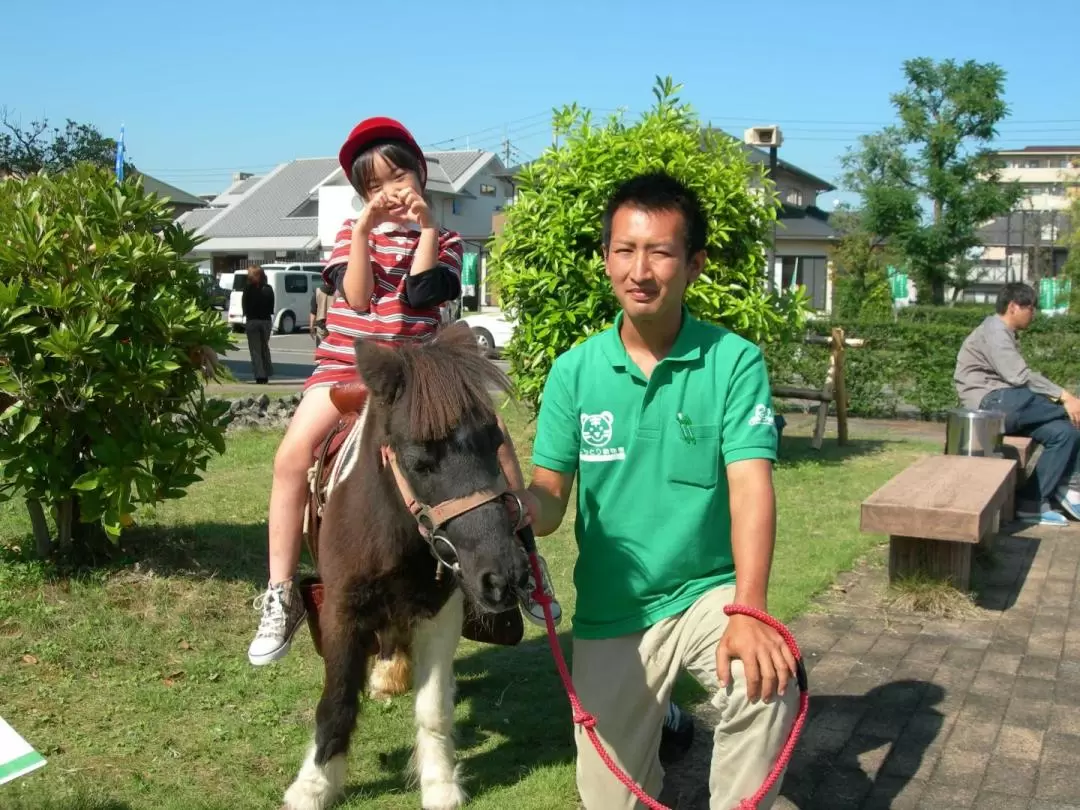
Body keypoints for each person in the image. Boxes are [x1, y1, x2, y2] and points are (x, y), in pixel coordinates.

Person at [518, 171, 799, 809]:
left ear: (693, 264)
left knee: (768, 680)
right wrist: (513, 503)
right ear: (606, 259)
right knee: (610, 798)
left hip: (707, 594)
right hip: (611, 611)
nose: (639, 270)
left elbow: (751, 487)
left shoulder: (733, 361)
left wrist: (751, 611)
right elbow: (550, 501)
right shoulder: (574, 371)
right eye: (624, 250)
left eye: (660, 251)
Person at [248, 117, 560, 666]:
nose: (389, 192)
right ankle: (279, 593)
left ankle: (526, 564)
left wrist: (428, 229)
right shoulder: (348, 236)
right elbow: (360, 299)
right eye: (373, 187)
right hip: (346, 370)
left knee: (496, 442)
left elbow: (420, 293)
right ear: (361, 196)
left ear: (419, 174)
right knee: (290, 457)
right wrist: (365, 231)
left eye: (398, 176)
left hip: (423, 375)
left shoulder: (448, 239)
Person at [954, 281, 1080, 526]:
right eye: (1031, 307)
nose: (1034, 313)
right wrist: (1065, 397)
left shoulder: (1004, 333)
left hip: (1009, 403)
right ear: (1013, 306)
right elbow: (1019, 377)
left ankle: (1031, 503)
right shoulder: (994, 331)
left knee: (1065, 433)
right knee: (1068, 412)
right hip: (989, 403)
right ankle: (1071, 486)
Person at [242, 265, 274, 384]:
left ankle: (260, 375)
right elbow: (271, 307)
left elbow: (245, 306)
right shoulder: (268, 288)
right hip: (266, 321)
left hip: (252, 321)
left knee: (255, 350)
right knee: (264, 347)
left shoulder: (248, 289)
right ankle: (267, 372)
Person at [309, 280, 332, 348]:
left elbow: (313, 312)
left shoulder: (317, 292)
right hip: (334, 326)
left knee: (321, 350)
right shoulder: (338, 292)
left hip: (321, 326)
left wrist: (311, 327)